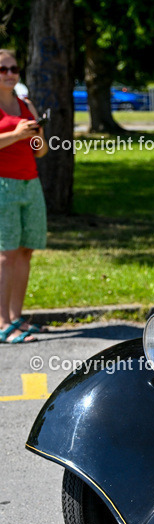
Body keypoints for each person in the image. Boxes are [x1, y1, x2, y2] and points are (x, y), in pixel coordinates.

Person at [0, 48, 48, 343]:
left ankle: (17, 316)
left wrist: (36, 136)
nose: (9, 74)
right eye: (2, 69)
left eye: (13, 69)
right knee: (6, 255)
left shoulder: (25, 103)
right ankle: (2, 322)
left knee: (26, 250)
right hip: (3, 185)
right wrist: (17, 134)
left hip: (31, 183)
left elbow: (40, 151)